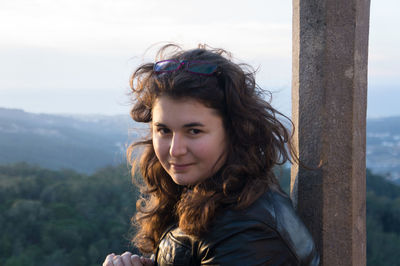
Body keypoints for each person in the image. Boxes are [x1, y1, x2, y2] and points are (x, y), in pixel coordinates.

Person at [103, 44, 319, 266]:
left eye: (194, 131)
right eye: (164, 130)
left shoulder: (247, 231)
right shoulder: (208, 198)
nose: (175, 150)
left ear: (234, 131)